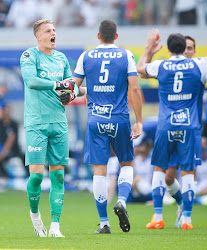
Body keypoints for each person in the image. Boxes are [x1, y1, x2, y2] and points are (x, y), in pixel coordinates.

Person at [137, 30, 207, 230]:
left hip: (166, 125)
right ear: (185, 49)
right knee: (188, 172)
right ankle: (187, 219)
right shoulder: (197, 64)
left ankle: (158, 216)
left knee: (159, 169)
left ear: (168, 49)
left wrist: (150, 47)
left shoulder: (161, 65)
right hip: (189, 125)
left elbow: (140, 68)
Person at [71, 19, 143, 234]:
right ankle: (121, 200)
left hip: (95, 120)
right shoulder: (125, 55)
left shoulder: (86, 56)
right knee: (126, 164)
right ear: (116, 36)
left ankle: (104, 223)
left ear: (98, 36)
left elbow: (73, 87)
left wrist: (83, 90)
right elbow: (135, 89)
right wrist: (138, 121)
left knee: (99, 172)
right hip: (119, 118)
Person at [20, 19, 78, 238]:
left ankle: (55, 226)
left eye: (54, 30)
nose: (53, 34)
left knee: (59, 177)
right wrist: (58, 85)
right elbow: (31, 81)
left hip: (59, 124)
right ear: (38, 36)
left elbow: (72, 87)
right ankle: (35, 217)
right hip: (36, 123)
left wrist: (71, 93)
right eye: (48, 31)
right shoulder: (29, 56)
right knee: (36, 176)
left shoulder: (61, 58)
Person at [164, 35, 207, 227]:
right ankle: (180, 203)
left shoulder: (199, 68)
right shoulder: (169, 70)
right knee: (168, 178)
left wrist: (204, 134)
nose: (187, 51)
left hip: (193, 130)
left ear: (195, 52)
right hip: (171, 128)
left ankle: (187, 216)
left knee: (189, 173)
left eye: (191, 48)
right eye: (185, 48)